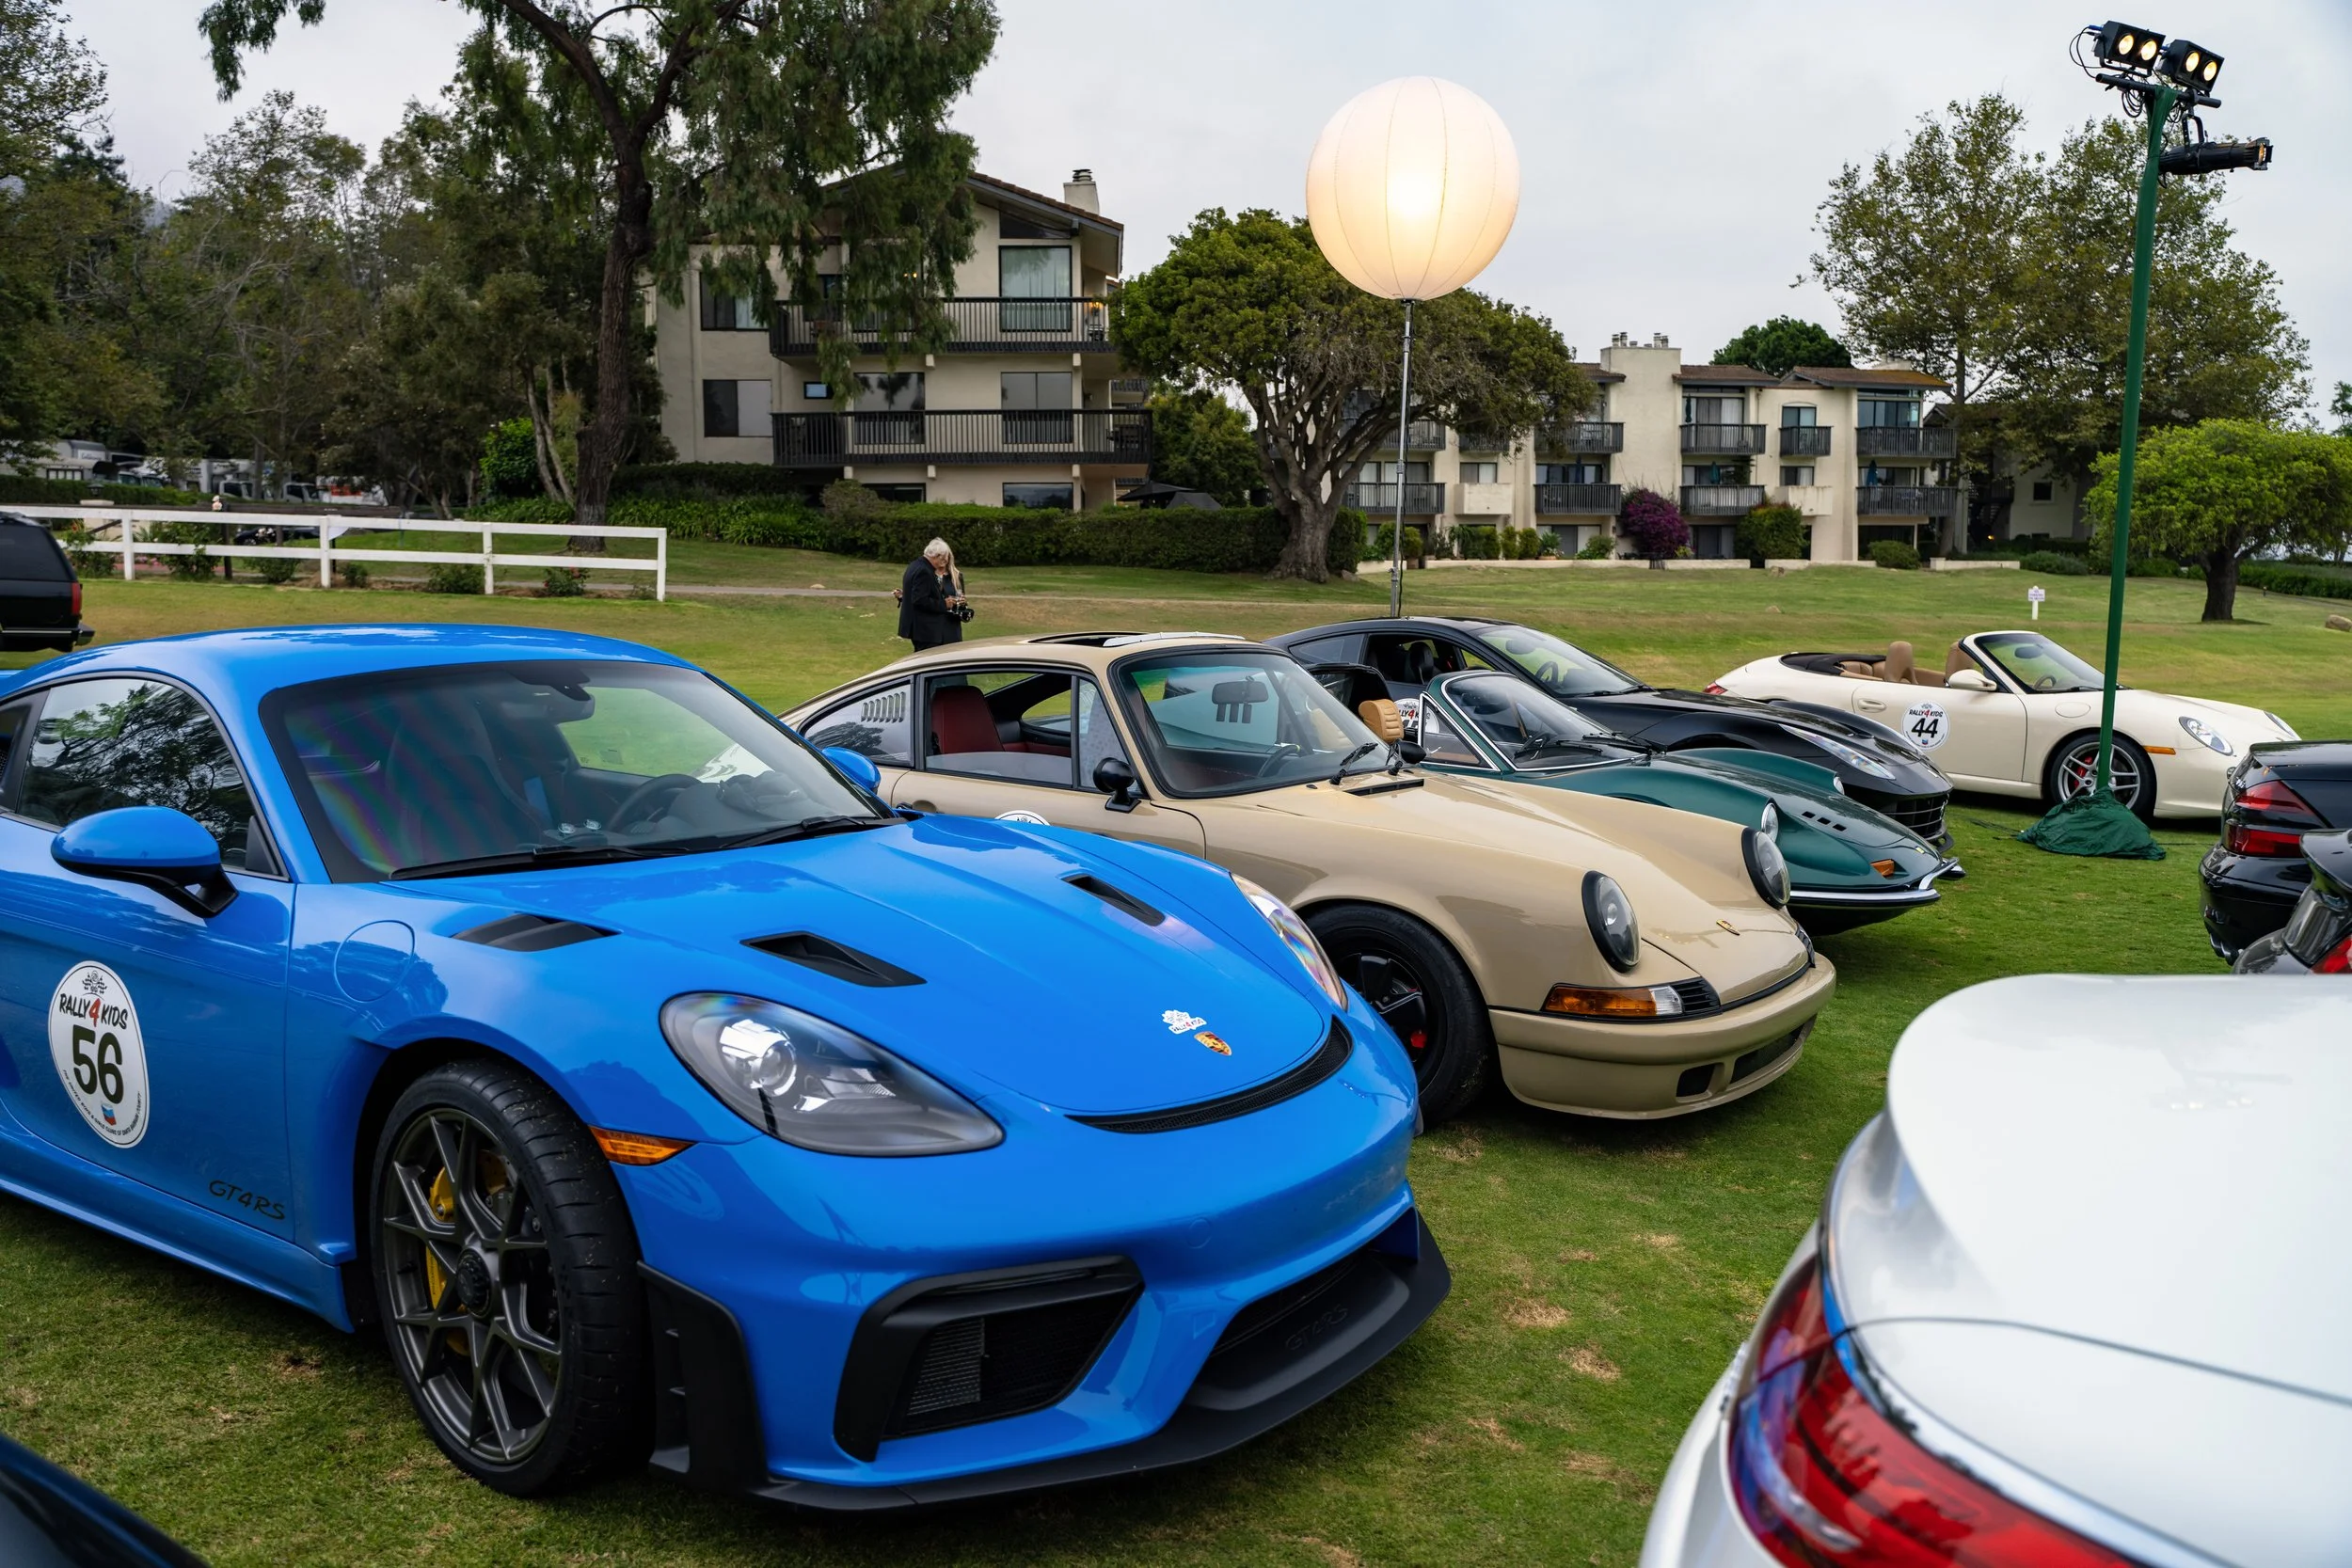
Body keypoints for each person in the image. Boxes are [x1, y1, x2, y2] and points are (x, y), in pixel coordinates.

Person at [896, 538, 968, 651]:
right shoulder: (924, 571)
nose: (945, 560)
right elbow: (920, 600)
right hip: (927, 632)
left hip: (926, 631)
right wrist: (944, 604)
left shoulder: (914, 565)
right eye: (943, 557)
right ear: (936, 556)